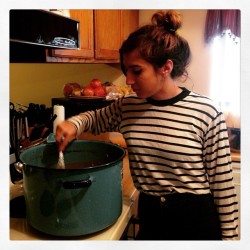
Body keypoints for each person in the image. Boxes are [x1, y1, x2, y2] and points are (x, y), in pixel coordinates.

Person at [56, 10, 239, 240]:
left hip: (196, 224)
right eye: (126, 70)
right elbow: (92, 118)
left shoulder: (206, 112)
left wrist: (230, 240)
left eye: (137, 70)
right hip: (151, 219)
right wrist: (73, 124)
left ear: (166, 67)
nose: (129, 80)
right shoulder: (127, 106)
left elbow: (223, 186)